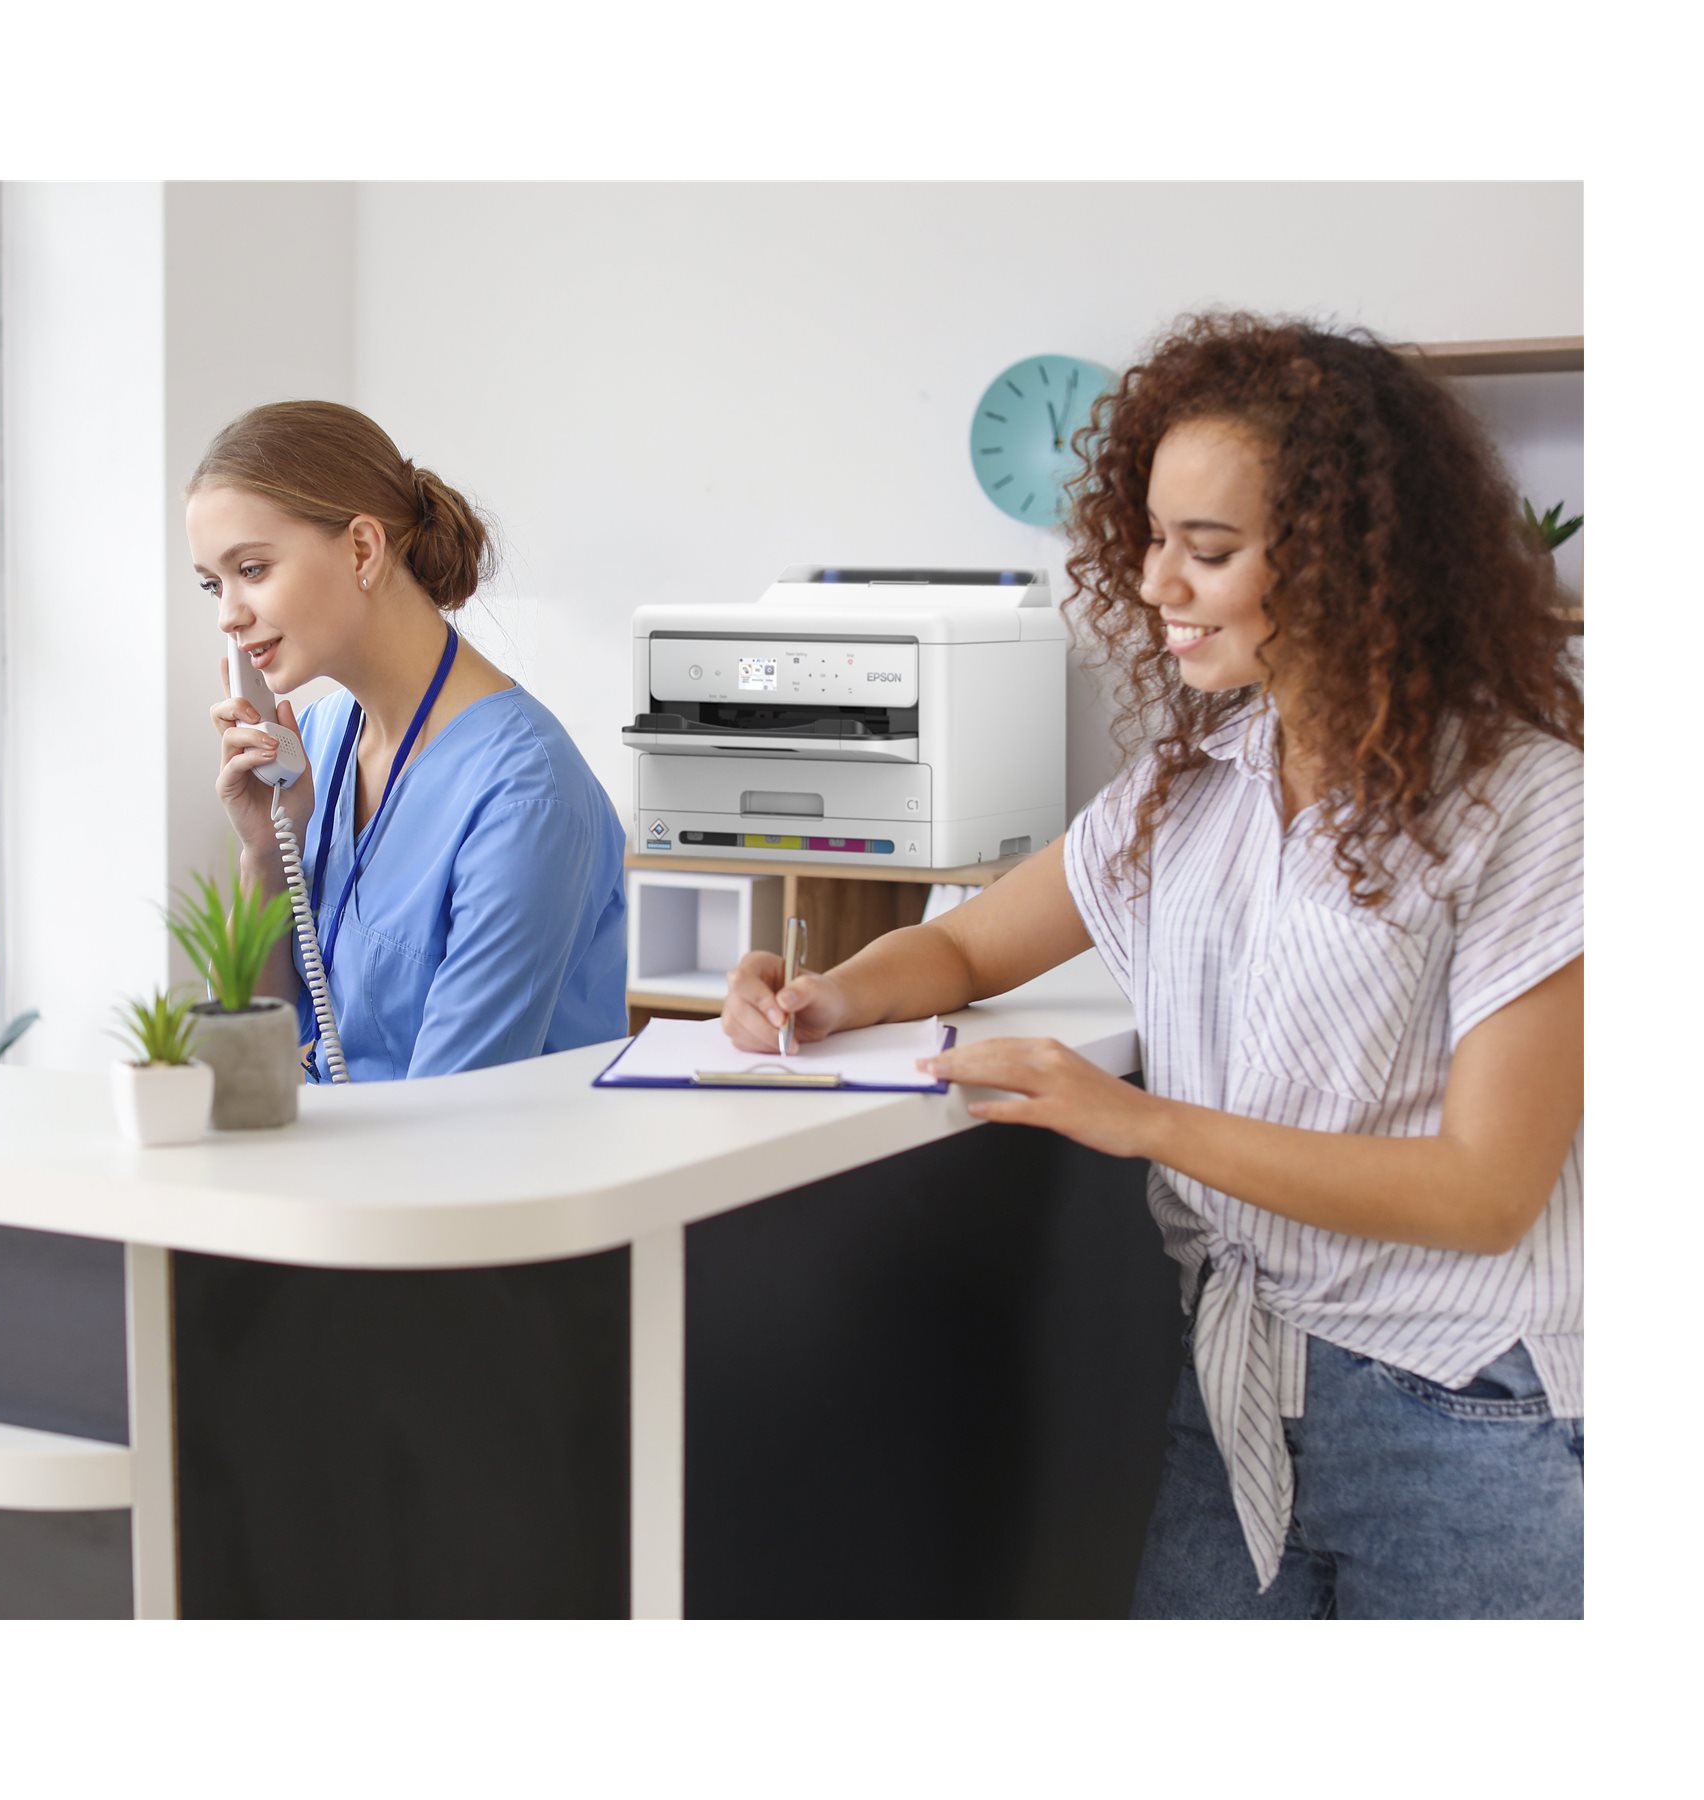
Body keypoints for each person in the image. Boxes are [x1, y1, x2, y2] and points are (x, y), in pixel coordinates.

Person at [719, 313, 1584, 1618]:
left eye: (1209, 550)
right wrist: (826, 995)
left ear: (1355, 560)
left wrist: (1140, 1123)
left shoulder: (1533, 805)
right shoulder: (1186, 790)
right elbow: (965, 942)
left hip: (1466, 1416)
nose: (1156, 582)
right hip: (1237, 1391)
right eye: (1154, 538)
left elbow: (1485, 1192)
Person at [194, 400, 626, 1084]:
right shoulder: (314, 741)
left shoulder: (526, 798)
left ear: (362, 550)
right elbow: (239, 1059)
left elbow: (447, 1117)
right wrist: (266, 850)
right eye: (211, 584)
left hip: (458, 1150)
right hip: (333, 1144)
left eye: (251, 570)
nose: (227, 615)